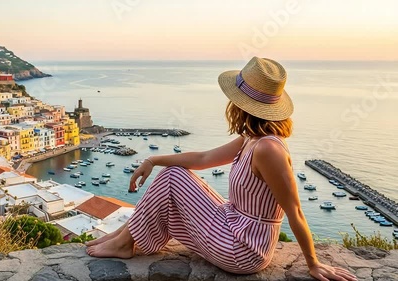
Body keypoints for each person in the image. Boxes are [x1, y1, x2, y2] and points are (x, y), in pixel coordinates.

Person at [86, 57, 356, 281]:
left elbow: (294, 210)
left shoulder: (268, 150)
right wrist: (153, 160)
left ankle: (124, 241)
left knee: (172, 177)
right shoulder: (252, 138)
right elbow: (204, 158)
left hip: (244, 248)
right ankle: (124, 236)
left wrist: (313, 263)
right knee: (173, 172)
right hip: (231, 224)